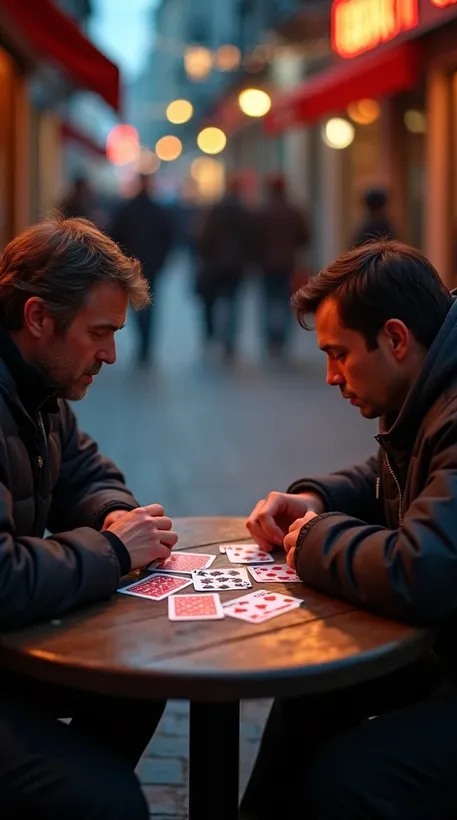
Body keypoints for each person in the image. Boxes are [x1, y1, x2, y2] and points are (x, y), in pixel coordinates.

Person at [242, 239, 457, 820]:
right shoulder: (436, 383)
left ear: (395, 339)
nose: (329, 376)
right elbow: (392, 469)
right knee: (311, 695)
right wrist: (313, 497)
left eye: (338, 354)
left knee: (348, 780)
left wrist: (315, 537)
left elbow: (424, 570)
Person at [0, 215, 179, 819]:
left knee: (140, 676)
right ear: (38, 319)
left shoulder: (39, 386)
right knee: (105, 800)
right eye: (99, 332)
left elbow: (85, 472)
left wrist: (118, 516)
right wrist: (115, 552)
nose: (111, 354)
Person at [110, 174, 174, 366]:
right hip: (152, 265)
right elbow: (168, 238)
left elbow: (115, 237)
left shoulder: (127, 209)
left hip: (131, 265)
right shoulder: (159, 210)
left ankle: (142, 341)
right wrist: (162, 260)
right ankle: (146, 344)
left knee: (136, 304)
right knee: (149, 304)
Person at [195, 176, 254, 362]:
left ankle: (215, 335)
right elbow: (251, 240)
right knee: (234, 302)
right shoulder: (244, 212)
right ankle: (230, 340)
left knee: (214, 302)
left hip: (216, 265)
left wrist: (206, 258)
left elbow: (204, 237)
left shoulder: (216, 211)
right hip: (237, 266)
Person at [255, 175, 310, 358]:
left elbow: (254, 239)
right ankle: (283, 339)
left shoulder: (262, 212)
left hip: (266, 264)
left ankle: (271, 339)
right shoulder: (294, 211)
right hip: (288, 263)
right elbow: (305, 237)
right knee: (287, 301)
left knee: (269, 300)